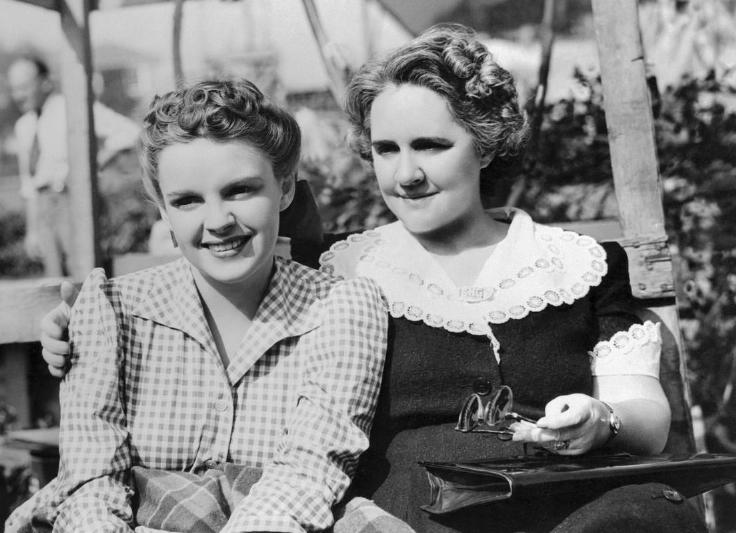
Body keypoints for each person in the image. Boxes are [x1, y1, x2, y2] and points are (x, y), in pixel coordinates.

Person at [39, 24, 706, 532]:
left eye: (430, 146)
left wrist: (603, 417)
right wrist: (78, 323)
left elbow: (649, 421)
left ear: (484, 142)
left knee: (643, 516)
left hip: (566, 502)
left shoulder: (577, 264)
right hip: (417, 512)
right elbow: (224, 262)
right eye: (386, 150)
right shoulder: (341, 265)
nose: (405, 174)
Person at [6, 79, 393, 533]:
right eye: (187, 201)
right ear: (163, 211)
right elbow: (93, 482)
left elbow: (308, 473)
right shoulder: (111, 309)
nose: (217, 222)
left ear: (284, 189)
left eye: (240, 190)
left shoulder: (342, 307)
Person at [8, 56, 141, 277]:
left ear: (45, 82)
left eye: (24, 87)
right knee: (53, 282)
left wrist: (93, 162)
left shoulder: (71, 107)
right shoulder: (23, 125)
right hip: (43, 209)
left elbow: (128, 132)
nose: (18, 95)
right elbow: (29, 184)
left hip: (72, 201)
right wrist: (32, 230)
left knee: (82, 273)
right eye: (14, 89)